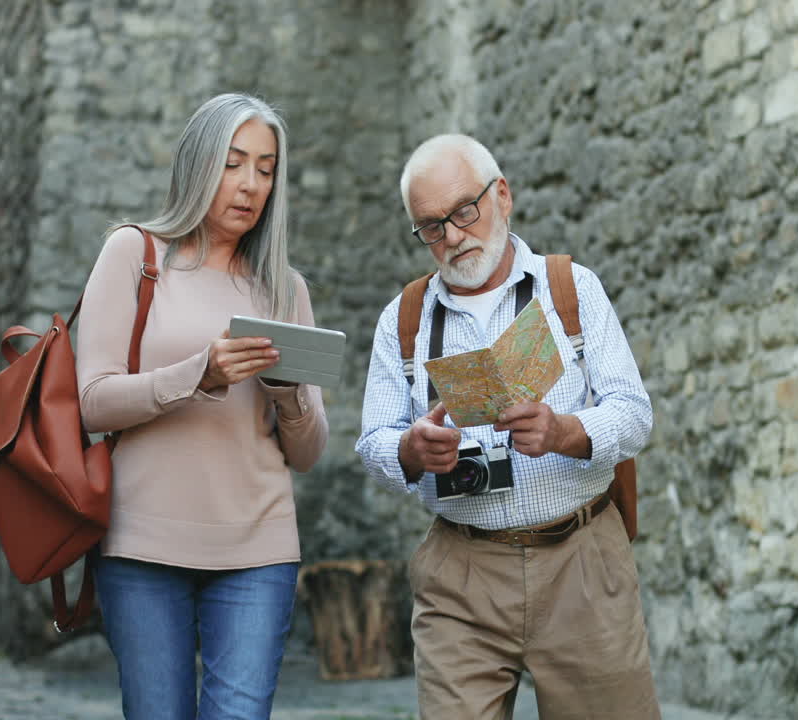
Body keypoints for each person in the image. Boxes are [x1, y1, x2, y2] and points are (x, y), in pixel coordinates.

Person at [356, 134, 660, 719]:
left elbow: (633, 411)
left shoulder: (570, 289)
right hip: (461, 571)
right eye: (431, 226)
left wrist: (565, 432)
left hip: (581, 559)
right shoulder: (404, 319)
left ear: (502, 194)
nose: (452, 237)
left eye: (463, 212)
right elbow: (373, 442)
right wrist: (411, 449)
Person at [75, 93, 328, 720]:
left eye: (265, 170)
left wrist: (288, 393)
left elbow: (308, 452)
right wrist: (200, 374)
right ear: (198, 164)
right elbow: (92, 403)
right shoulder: (135, 254)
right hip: (141, 543)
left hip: (258, 549)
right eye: (233, 163)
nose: (249, 185)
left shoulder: (284, 288)